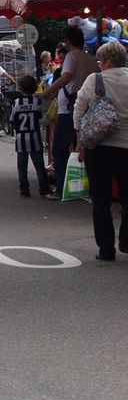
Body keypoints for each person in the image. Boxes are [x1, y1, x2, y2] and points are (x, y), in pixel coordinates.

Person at [73, 41, 128, 261]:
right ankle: (126, 240)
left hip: (98, 148)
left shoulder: (94, 80)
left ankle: (106, 249)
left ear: (106, 61)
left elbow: (79, 110)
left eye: (99, 60)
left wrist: (80, 139)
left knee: (101, 200)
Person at [40, 25, 97, 199]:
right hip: (87, 109)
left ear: (68, 41)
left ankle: (62, 188)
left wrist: (47, 92)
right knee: (84, 148)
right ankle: (88, 187)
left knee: (59, 149)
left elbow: (66, 78)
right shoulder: (90, 59)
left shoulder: (72, 56)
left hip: (69, 111)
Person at [10, 74, 53, 198]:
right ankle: (44, 188)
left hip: (20, 139)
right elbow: (39, 115)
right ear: (35, 88)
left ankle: (24, 189)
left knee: (22, 167)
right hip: (35, 138)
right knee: (39, 166)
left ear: (20, 88)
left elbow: (12, 119)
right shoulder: (36, 102)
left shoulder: (16, 103)